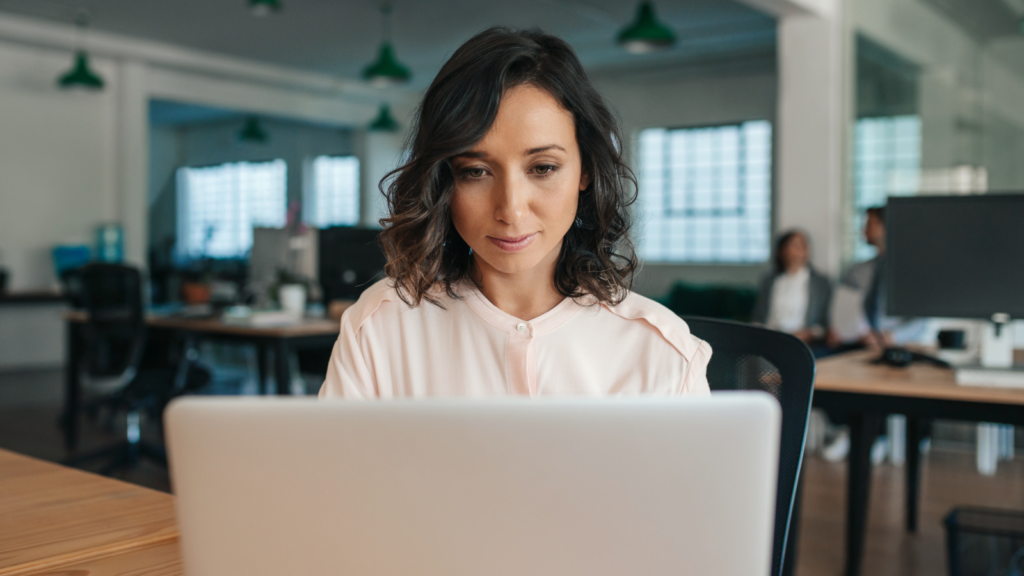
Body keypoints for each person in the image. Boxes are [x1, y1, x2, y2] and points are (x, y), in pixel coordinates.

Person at [319, 28, 711, 399]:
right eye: (475, 172)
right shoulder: (379, 329)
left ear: (585, 170)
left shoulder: (662, 351)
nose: (510, 209)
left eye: (542, 168)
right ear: (443, 182)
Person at [751, 230, 833, 349]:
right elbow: (759, 316)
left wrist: (809, 333)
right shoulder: (769, 281)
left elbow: (824, 324)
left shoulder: (821, 283)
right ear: (782, 250)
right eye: (795, 245)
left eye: (804, 244)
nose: (801, 249)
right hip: (769, 339)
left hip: (802, 343)